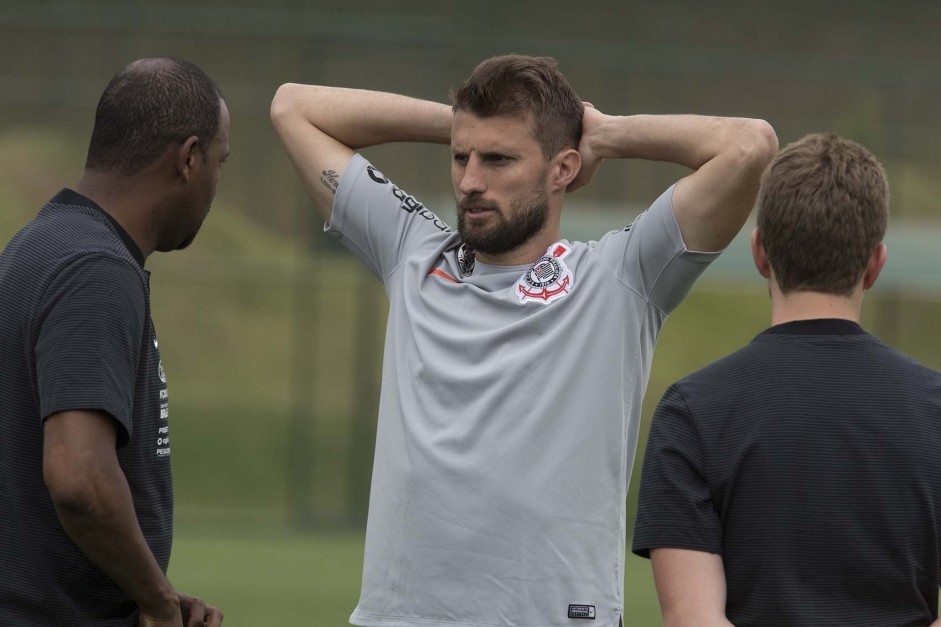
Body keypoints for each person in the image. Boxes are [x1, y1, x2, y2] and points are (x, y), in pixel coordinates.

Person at [271, 54, 776, 627]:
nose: (470, 182)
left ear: (563, 168)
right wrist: (459, 123)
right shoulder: (411, 251)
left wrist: (602, 134)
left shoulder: (621, 277)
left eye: (499, 159)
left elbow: (749, 146)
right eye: (462, 158)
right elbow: (294, 106)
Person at [632, 133, 941, 627]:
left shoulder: (690, 412)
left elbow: (693, 618)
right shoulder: (934, 409)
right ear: (875, 265)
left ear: (760, 253)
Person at [0, 57, 228, 626]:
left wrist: (155, 595)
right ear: (189, 158)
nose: (214, 184)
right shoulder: (94, 269)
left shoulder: (36, 244)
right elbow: (79, 476)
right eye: (219, 164)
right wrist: (156, 603)